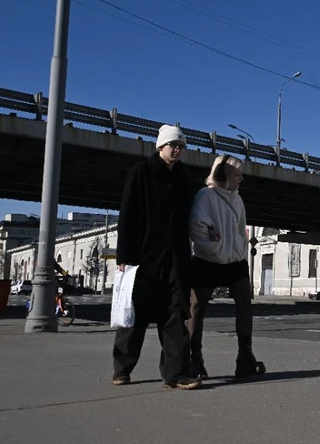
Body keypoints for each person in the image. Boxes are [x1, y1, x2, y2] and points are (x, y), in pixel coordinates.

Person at [112, 124, 201, 390]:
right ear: (160, 147)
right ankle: (122, 369)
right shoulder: (141, 173)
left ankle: (176, 373)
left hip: (175, 258)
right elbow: (127, 215)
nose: (177, 150)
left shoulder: (184, 177)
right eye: (173, 145)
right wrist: (124, 255)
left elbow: (189, 217)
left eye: (181, 146)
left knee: (174, 314)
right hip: (143, 258)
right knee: (135, 315)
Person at [187, 155, 263, 379]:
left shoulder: (237, 199)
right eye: (237, 174)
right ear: (222, 175)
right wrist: (215, 247)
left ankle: (245, 357)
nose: (241, 179)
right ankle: (195, 359)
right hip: (207, 260)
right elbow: (196, 227)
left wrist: (239, 251)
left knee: (245, 304)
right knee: (197, 307)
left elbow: (241, 230)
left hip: (235, 260)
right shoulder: (206, 196)